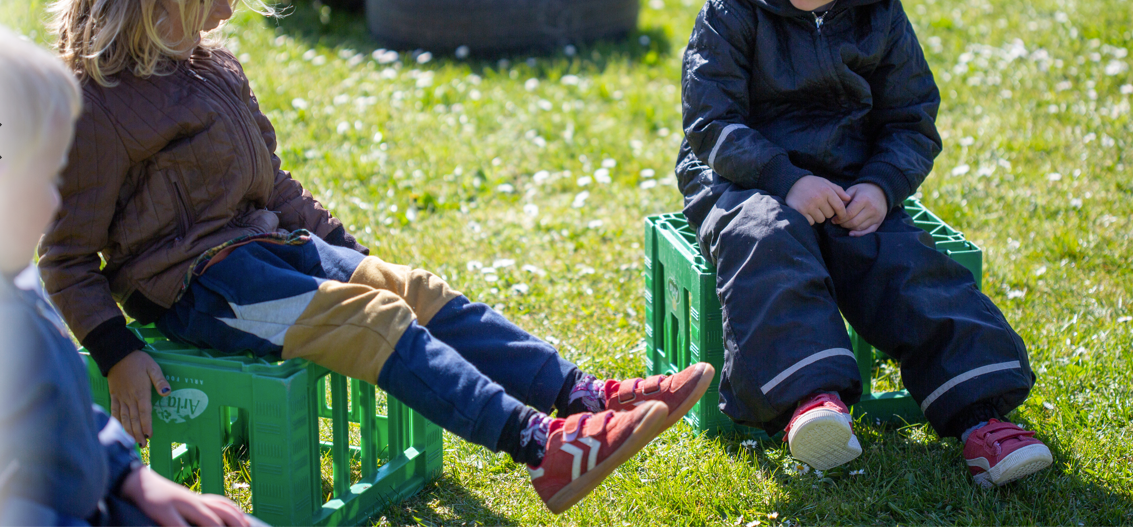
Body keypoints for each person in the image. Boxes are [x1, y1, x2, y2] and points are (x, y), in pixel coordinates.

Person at [36, 0, 715, 514]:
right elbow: (65, 255)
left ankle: (582, 395)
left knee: (409, 290)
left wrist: (353, 257)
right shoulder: (99, 102)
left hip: (271, 250)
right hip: (200, 288)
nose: (231, 9)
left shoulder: (212, 64)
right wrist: (116, 350)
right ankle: (542, 447)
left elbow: (272, 184)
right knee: (369, 320)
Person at [675, 0, 1051, 487]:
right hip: (744, 178)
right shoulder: (731, 13)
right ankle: (811, 404)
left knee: (901, 258)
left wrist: (881, 184)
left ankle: (981, 421)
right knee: (767, 241)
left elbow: (910, 118)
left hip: (850, 174)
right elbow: (711, 123)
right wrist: (785, 178)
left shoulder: (880, 13)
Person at [0, 26, 259, 526]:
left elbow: (61, 417)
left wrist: (132, 477)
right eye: (42, 177)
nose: (57, 201)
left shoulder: (18, 288)